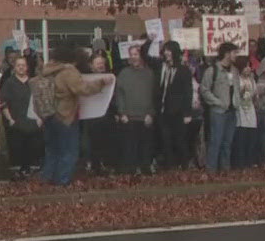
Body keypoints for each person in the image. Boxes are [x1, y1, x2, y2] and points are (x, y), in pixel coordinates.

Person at [34, 46, 104, 186]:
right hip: (65, 115)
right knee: (69, 150)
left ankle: (47, 179)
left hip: (48, 114)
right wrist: (100, 83)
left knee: (52, 150)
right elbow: (81, 88)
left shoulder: (48, 69)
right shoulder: (68, 71)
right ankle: (62, 181)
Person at [114, 42, 158, 174]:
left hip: (145, 117)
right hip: (129, 117)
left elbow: (154, 95)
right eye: (131, 54)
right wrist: (122, 113)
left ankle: (145, 169)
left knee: (146, 147)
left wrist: (151, 113)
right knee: (130, 147)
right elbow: (119, 94)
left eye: (136, 54)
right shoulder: (124, 73)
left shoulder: (150, 73)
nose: (134, 57)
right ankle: (131, 171)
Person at [199, 44, 242, 172]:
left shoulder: (234, 70)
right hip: (218, 111)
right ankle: (211, 169)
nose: (236, 55)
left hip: (232, 110)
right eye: (234, 52)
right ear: (227, 54)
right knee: (215, 141)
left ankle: (225, 169)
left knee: (227, 142)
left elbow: (237, 88)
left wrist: (237, 102)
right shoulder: (212, 70)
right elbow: (204, 89)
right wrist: (216, 101)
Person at [157, 43, 198, 170]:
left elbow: (188, 92)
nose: (166, 53)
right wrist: (150, 41)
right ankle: (169, 167)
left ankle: (184, 166)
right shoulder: (162, 67)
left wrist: (187, 113)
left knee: (180, 141)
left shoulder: (183, 70)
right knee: (166, 141)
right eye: (165, 51)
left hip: (178, 112)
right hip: (163, 111)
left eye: (169, 50)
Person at [0, 52, 41, 178]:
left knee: (33, 148)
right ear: (14, 67)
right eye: (19, 65)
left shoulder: (34, 82)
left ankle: (30, 170)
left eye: (23, 65)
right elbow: (4, 102)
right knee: (19, 148)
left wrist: (41, 118)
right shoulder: (9, 83)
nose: (21, 67)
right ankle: (20, 171)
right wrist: (10, 119)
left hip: (33, 121)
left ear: (27, 67)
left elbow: (40, 100)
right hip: (17, 121)